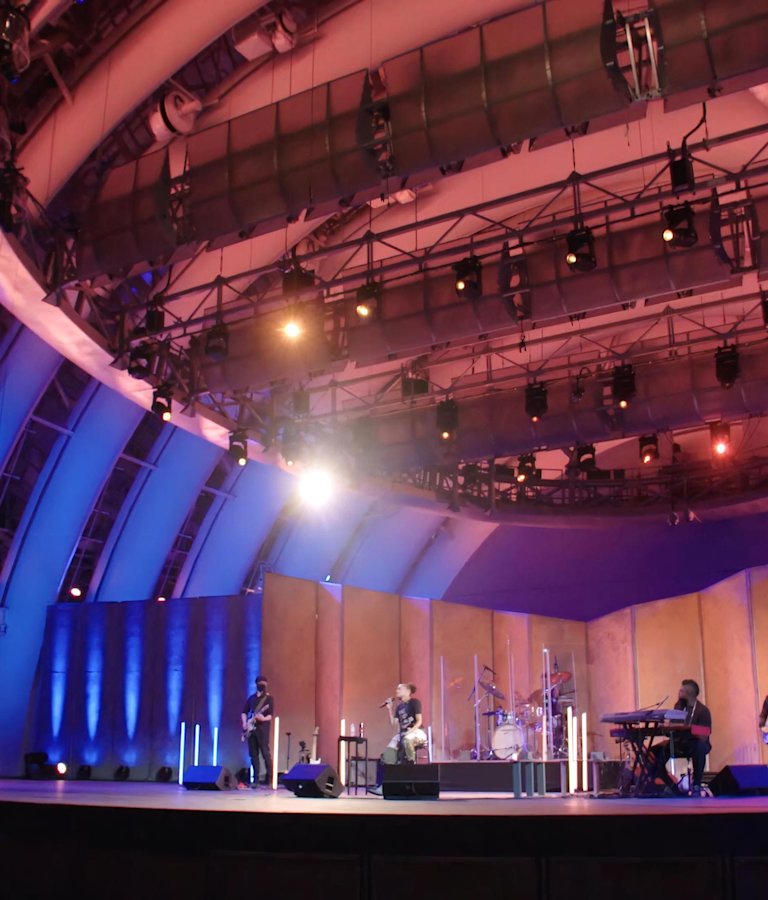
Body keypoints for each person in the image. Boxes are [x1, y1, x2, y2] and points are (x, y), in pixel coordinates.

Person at [654, 678, 712, 795]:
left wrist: (685, 727)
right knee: (655, 752)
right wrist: (666, 726)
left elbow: (704, 734)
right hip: (679, 743)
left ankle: (696, 784)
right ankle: (670, 786)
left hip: (695, 743)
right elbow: (671, 730)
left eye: (681, 691)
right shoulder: (679, 707)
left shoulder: (702, 711)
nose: (678, 693)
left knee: (700, 747)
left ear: (689, 693)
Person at [241, 675, 274, 786]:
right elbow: (244, 712)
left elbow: (270, 715)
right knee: (253, 755)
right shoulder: (251, 698)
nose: (262, 685)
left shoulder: (269, 699)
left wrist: (263, 718)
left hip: (263, 731)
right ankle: (255, 779)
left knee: (265, 754)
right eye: (260, 683)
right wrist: (245, 723)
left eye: (264, 683)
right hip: (252, 730)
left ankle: (269, 778)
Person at [385, 683, 427, 764]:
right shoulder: (399, 707)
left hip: (417, 732)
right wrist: (390, 709)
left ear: (408, 691)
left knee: (407, 739)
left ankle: (411, 763)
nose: (397, 691)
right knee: (389, 751)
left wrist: (409, 732)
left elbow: (419, 721)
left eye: (399, 689)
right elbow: (393, 723)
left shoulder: (414, 702)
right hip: (403, 733)